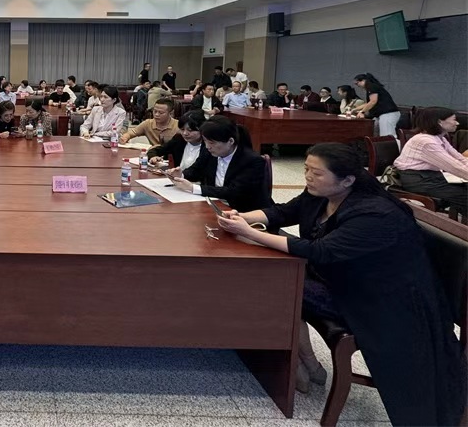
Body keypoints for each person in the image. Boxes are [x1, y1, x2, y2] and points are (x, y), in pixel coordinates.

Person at [215, 143, 467, 422]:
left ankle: (302, 363)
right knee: (276, 279)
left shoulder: (374, 213)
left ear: (347, 180)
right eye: (306, 169)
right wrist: (239, 218)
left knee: (279, 285)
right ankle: (304, 362)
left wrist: (250, 232)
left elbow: (319, 251)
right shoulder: (322, 194)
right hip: (341, 279)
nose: (308, 177)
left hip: (378, 301)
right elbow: (283, 212)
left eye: (316, 173)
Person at [169, 116, 269, 212]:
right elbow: (196, 170)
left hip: (243, 211)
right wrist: (181, 175)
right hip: (214, 205)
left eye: (212, 143)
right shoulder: (209, 152)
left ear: (230, 141)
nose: (207, 146)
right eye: (205, 141)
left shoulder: (252, 160)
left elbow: (234, 191)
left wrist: (193, 188)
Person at [394, 107, 468, 219]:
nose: (457, 123)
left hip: (430, 177)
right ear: (439, 122)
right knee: (464, 196)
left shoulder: (439, 138)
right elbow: (454, 167)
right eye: (454, 119)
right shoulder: (426, 142)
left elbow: (460, 159)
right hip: (419, 181)